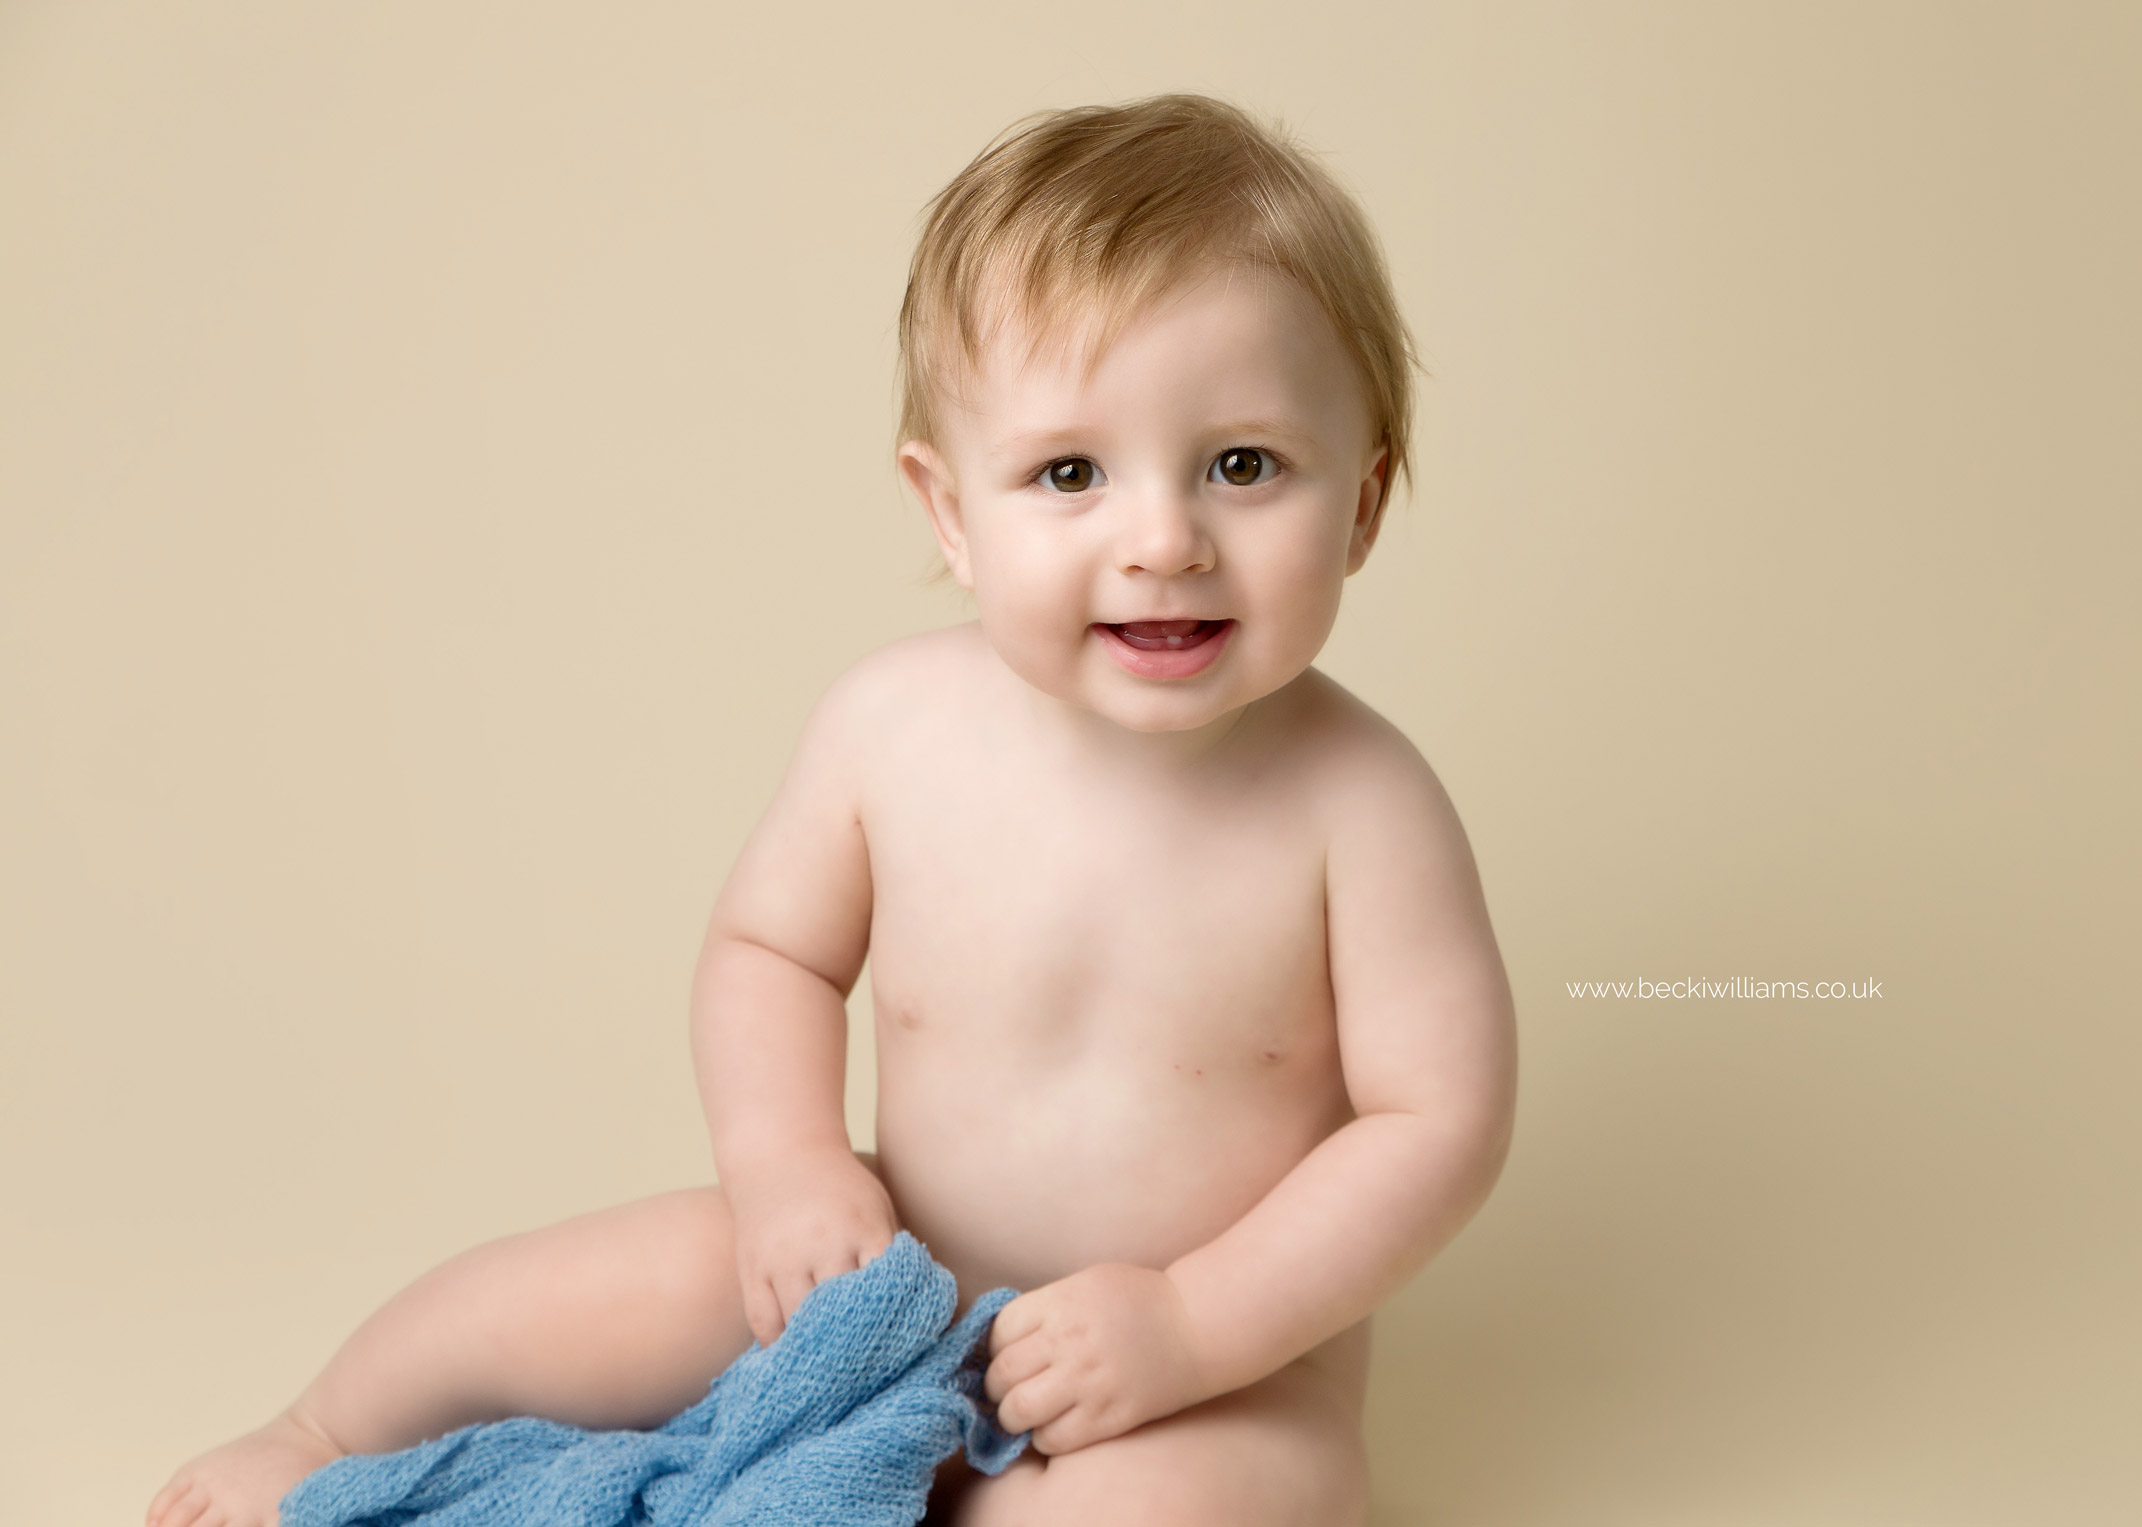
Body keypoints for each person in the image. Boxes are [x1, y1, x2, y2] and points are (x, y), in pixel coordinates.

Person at [148, 93, 1516, 1527]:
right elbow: (770, 955)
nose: (1163, 539)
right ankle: (313, 1429)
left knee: (1209, 1502)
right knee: (574, 1292)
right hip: (884, 1277)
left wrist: (1190, 1325)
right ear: (948, 511)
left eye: (1244, 465)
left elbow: (1439, 1124)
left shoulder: (1364, 808)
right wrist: (790, 1170)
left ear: (1359, 508)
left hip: (1212, 1366)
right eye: (1069, 472)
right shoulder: (891, 728)